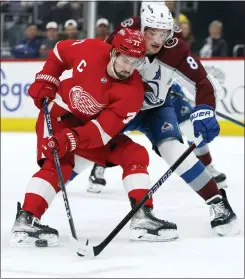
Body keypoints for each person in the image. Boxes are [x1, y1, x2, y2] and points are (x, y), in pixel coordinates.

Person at [81, 3, 239, 236]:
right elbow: (98, 67)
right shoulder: (123, 36)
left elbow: (203, 82)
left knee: (174, 151)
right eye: (152, 32)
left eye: (163, 33)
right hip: (120, 106)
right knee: (86, 145)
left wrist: (205, 110)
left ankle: (217, 202)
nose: (157, 40)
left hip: (156, 109)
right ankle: (33, 211)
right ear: (142, 27)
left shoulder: (175, 48)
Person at [10, 28, 178, 247]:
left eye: (135, 62)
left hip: (87, 131)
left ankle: (142, 217)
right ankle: (26, 219)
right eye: (125, 60)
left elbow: (101, 132)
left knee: (134, 153)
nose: (129, 68)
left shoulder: (133, 92)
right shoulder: (91, 49)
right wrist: (47, 79)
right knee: (60, 164)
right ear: (113, 53)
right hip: (57, 116)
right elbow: (60, 52)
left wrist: (71, 139)